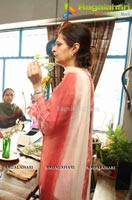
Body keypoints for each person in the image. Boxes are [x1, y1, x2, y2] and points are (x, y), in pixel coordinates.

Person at [27, 23, 94, 200]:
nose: (53, 49)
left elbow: (48, 126)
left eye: (58, 44)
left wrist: (37, 86)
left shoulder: (71, 80)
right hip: (75, 164)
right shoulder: (85, 76)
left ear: (74, 48)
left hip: (62, 169)